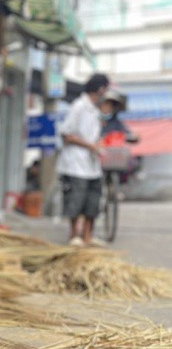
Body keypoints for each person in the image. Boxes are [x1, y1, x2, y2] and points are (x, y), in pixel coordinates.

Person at [56, 73, 108, 247]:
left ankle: (88, 235)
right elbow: (66, 134)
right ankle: (74, 235)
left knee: (93, 201)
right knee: (76, 200)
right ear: (101, 89)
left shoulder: (96, 110)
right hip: (76, 164)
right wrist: (89, 145)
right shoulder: (78, 106)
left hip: (92, 165)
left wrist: (96, 145)